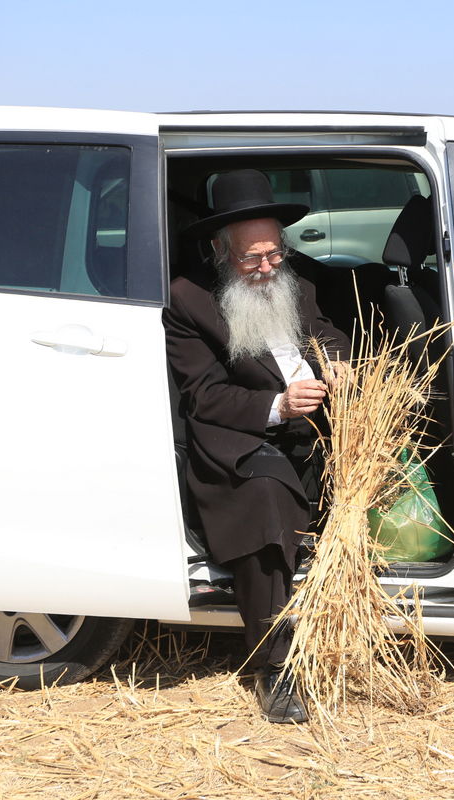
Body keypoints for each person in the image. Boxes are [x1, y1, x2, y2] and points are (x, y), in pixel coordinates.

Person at [163, 169, 350, 724]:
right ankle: (274, 667)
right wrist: (279, 407)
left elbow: (326, 331)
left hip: (311, 427)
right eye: (252, 259)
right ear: (221, 253)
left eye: (274, 254)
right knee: (266, 500)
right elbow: (204, 397)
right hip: (241, 441)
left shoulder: (298, 284)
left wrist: (334, 361)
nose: (267, 268)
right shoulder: (189, 302)